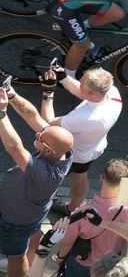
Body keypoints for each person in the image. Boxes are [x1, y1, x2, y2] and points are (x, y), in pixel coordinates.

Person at [8, 66, 120, 209]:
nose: (78, 83)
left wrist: (48, 92)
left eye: (81, 83)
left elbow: (48, 124)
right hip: (92, 149)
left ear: (91, 93)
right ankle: (73, 208)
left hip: (71, 153)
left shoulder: (86, 118)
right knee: (80, 177)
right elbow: (83, 93)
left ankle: (36, 205)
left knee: (46, 179)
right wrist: (64, 78)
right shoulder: (111, 92)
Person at [0, 86, 73, 277]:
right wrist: (12, 94)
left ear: (48, 151)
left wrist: (2, 114)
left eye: (41, 138)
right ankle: (29, 257)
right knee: (32, 236)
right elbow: (31, 115)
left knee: (16, 257)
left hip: (15, 220)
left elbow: (14, 148)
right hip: (32, 212)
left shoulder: (44, 173)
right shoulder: (63, 150)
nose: (38, 134)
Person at [55, 157, 128, 277]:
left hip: (84, 261)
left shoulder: (82, 213)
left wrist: (60, 258)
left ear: (101, 177)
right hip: (111, 262)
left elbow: (67, 241)